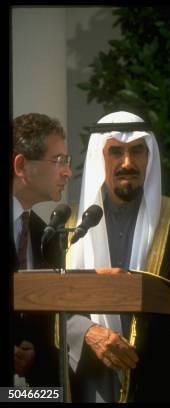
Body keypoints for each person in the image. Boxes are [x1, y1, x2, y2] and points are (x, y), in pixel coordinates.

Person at [65, 111, 170, 402]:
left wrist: (142, 292)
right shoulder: (69, 226)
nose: (127, 163)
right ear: (98, 157)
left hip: (160, 379)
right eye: (115, 152)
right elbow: (46, 302)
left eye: (137, 151)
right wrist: (87, 332)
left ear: (148, 156)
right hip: (88, 379)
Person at [11, 113, 72, 387]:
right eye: (58, 160)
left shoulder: (42, 234)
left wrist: (35, 354)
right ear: (21, 165)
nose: (67, 171)